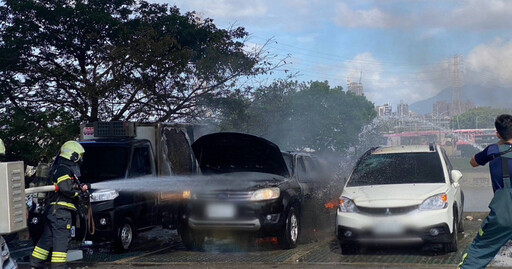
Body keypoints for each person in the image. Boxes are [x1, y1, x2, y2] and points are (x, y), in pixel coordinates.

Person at [459, 114, 512, 269]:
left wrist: (500, 142)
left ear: (498, 134)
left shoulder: (493, 150)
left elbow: (473, 162)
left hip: (503, 216)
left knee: (478, 253)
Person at [30, 140, 87, 269]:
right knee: (61, 242)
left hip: (53, 212)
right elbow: (66, 188)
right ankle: (59, 267)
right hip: (61, 213)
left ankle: (35, 264)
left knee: (47, 239)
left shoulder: (58, 168)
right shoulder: (63, 169)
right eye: (80, 156)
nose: (81, 159)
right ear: (73, 155)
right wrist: (78, 193)